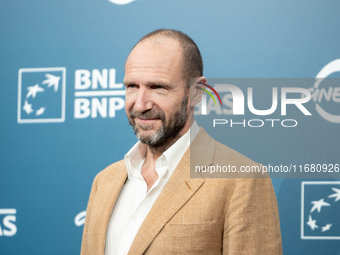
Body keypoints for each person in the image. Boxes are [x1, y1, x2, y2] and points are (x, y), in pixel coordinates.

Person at [81, 29, 282, 255]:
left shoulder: (241, 180)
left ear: (196, 92)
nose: (140, 104)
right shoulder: (104, 181)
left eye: (157, 87)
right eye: (132, 87)